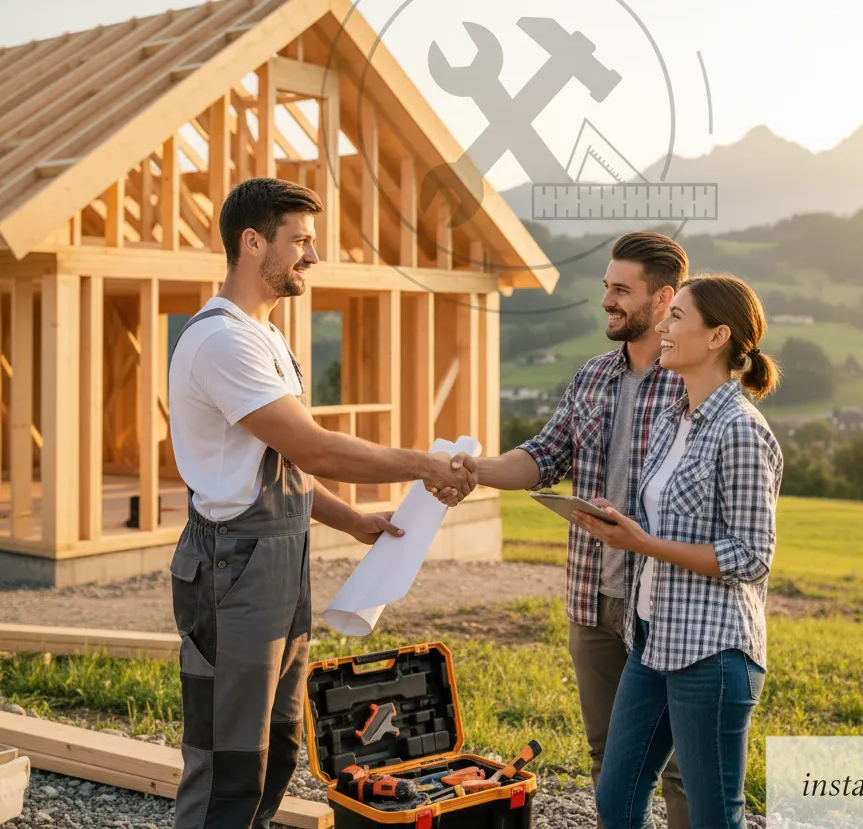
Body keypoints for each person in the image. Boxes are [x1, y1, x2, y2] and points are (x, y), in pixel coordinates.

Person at [167, 178, 477, 829]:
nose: (313, 256)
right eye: (301, 241)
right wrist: (424, 463)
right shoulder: (222, 341)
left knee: (276, 748)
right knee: (228, 762)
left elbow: (278, 467)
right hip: (232, 572)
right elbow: (315, 449)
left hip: (278, 565)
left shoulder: (265, 336)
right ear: (253, 244)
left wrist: (354, 522)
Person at [475, 231, 692, 828]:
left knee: (681, 768)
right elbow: (543, 456)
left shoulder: (695, 381)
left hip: (667, 601)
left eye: (622, 290)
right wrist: (472, 471)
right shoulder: (592, 377)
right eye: (606, 288)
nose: (607, 301)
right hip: (591, 597)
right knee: (608, 754)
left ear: (663, 297)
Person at [575, 274, 784, 829]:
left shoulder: (741, 430)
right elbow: (665, 520)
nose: (662, 329)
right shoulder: (674, 419)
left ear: (717, 337)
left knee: (715, 816)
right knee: (615, 799)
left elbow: (750, 556)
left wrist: (642, 543)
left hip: (712, 654)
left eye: (676, 318)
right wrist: (619, 522)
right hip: (653, 640)